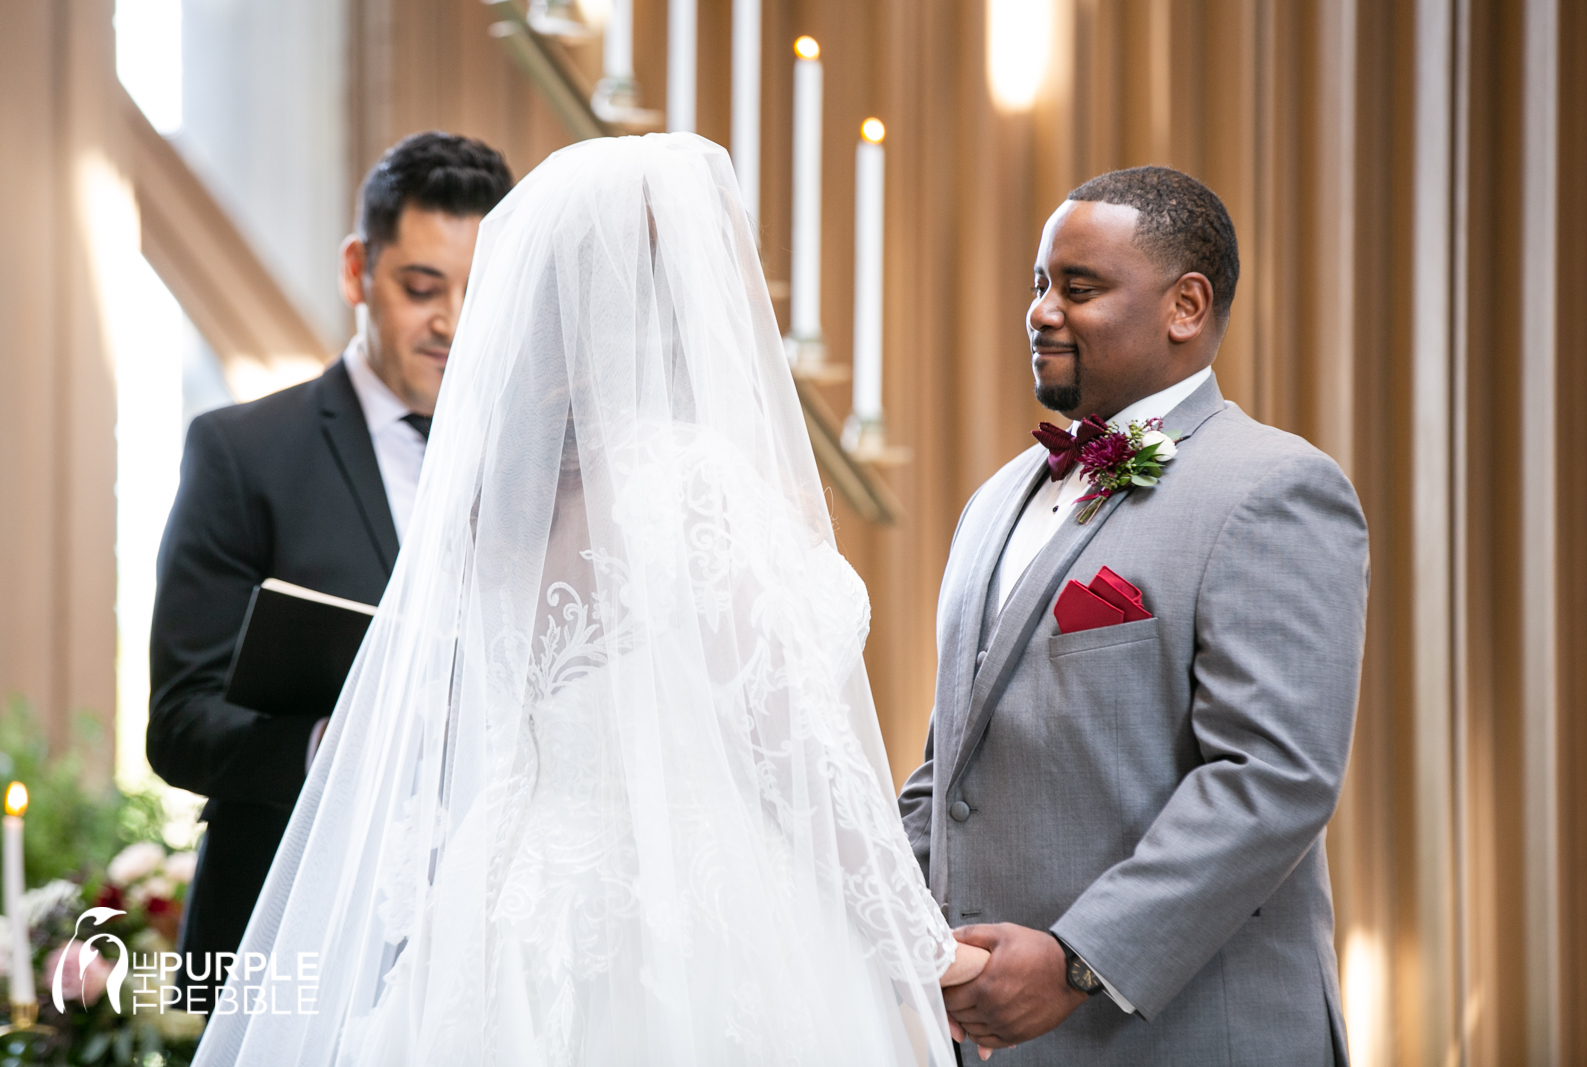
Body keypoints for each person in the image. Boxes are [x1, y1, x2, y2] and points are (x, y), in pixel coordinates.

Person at [193, 133, 984, 1066]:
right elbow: (790, 747)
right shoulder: (684, 485)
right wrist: (924, 950)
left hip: (509, 915)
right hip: (694, 921)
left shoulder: (497, 500)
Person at [900, 166, 1369, 1065]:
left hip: (1185, 1034)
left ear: (1185, 305)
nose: (1041, 311)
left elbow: (1273, 777)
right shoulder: (994, 500)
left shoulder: (1272, 487)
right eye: (1039, 285)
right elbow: (947, 772)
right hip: (983, 1036)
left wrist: (1077, 961)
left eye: (1079, 288)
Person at [147, 132, 514, 1006]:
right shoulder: (242, 453)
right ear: (358, 270)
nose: (452, 322)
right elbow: (178, 719)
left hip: (479, 947)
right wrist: (330, 744)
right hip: (290, 939)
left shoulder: (537, 470)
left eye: (480, 291)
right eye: (421, 287)